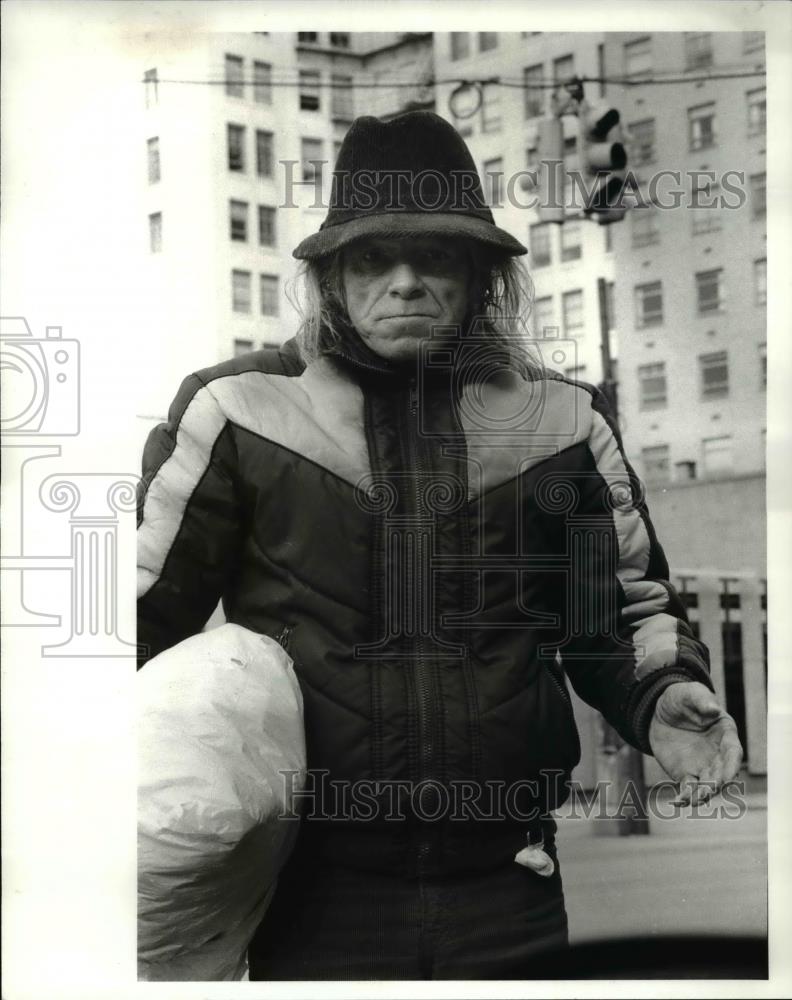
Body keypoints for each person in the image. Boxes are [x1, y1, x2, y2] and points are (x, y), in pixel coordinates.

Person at [136, 111, 743, 980]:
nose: (408, 282)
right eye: (374, 258)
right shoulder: (234, 413)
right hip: (313, 899)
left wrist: (663, 692)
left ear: (482, 277)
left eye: (439, 257)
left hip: (510, 886)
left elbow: (618, 614)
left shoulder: (563, 423)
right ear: (332, 276)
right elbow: (136, 620)